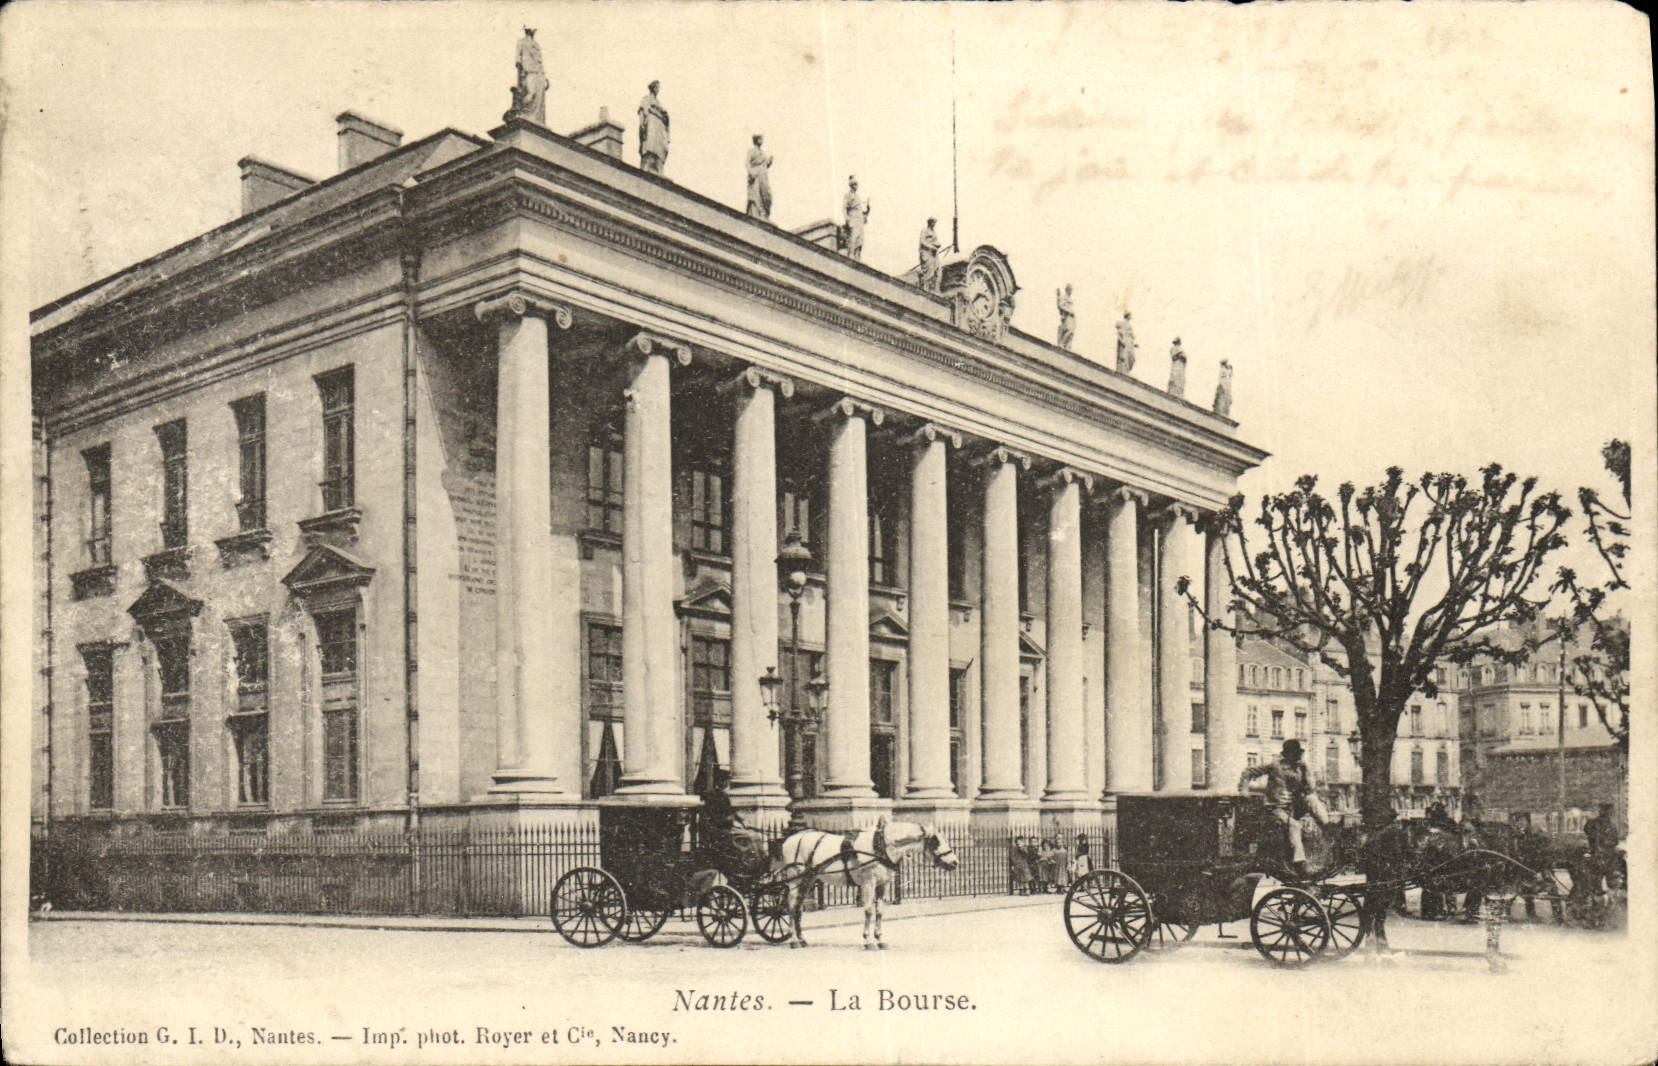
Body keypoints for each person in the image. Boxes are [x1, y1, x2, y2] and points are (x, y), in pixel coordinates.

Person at [1238, 739, 1331, 875]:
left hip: (1293, 807)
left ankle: (1328, 826)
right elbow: (1248, 772)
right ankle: (1299, 862)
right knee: (1294, 826)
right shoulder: (1274, 765)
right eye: (1295, 754)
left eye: (1299, 754)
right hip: (1275, 808)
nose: (1298, 757)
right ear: (1288, 754)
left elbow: (1310, 789)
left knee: (1312, 798)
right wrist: (1244, 790)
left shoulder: (1300, 768)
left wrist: (1306, 771)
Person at [509, 28, 550, 125]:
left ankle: (537, 120)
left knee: (539, 97)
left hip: (539, 74)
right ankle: (522, 112)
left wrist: (544, 76)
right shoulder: (521, 42)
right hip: (528, 71)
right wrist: (520, 78)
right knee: (531, 93)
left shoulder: (536, 45)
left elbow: (539, 61)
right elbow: (518, 61)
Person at [638, 81, 670, 174]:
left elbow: (665, 116)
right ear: (653, 88)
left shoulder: (659, 102)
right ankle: (649, 165)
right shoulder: (646, 99)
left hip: (659, 125)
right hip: (651, 122)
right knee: (650, 146)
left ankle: (657, 167)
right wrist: (642, 125)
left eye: (658, 88)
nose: (658, 89)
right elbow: (642, 111)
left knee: (661, 148)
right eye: (657, 87)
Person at [841, 176, 869, 259]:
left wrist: (866, 214)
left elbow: (860, 210)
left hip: (859, 219)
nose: (856, 186)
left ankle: (857, 256)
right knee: (853, 236)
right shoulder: (847, 195)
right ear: (851, 185)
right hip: (852, 218)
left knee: (860, 239)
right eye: (855, 184)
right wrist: (846, 218)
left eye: (857, 185)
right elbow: (844, 207)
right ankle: (851, 254)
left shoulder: (858, 197)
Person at [745, 134, 773, 220]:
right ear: (756, 140)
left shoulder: (763, 153)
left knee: (766, 193)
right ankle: (760, 212)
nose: (762, 141)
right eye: (760, 139)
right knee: (756, 193)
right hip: (755, 174)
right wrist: (751, 173)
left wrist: (769, 162)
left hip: (763, 175)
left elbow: (765, 165)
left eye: (762, 139)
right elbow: (747, 163)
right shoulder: (751, 151)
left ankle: (765, 213)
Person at [918, 218, 942, 292]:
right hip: (927, 252)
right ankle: (926, 287)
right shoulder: (924, 231)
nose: (934, 224)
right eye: (933, 223)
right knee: (929, 269)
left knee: (937, 269)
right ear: (930, 223)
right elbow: (922, 241)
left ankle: (933, 288)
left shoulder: (934, 232)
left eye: (935, 223)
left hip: (934, 253)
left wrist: (937, 245)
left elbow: (935, 241)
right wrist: (931, 247)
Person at [1056, 285, 1076, 350]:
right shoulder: (1064, 297)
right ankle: (1063, 344)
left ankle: (1067, 346)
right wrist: (1069, 311)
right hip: (1067, 316)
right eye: (1070, 290)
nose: (1071, 291)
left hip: (1072, 317)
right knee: (1068, 330)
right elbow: (1060, 306)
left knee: (1072, 332)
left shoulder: (1069, 298)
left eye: (1071, 290)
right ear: (1067, 290)